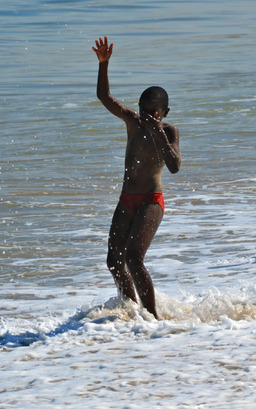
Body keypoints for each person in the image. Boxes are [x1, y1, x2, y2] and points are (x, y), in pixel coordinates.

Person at [92, 36, 181, 319]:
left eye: (153, 114)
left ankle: (153, 318)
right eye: (143, 111)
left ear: (164, 112)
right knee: (114, 261)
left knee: (133, 258)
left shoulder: (169, 132)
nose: (146, 118)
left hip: (151, 201)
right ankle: (132, 311)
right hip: (127, 199)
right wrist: (103, 65)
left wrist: (159, 136)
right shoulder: (132, 121)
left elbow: (175, 166)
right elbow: (104, 98)